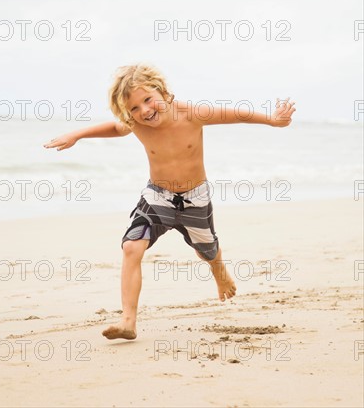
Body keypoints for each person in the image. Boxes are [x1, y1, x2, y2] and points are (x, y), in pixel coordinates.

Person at [44, 63, 296, 340]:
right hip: (157, 197)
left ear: (164, 92)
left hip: (195, 199)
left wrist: (272, 120)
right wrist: (76, 135)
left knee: (207, 250)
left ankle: (219, 271)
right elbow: (116, 129)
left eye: (148, 100)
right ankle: (128, 321)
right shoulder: (135, 124)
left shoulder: (193, 114)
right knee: (131, 247)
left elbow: (236, 114)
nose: (144, 111)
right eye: (134, 109)